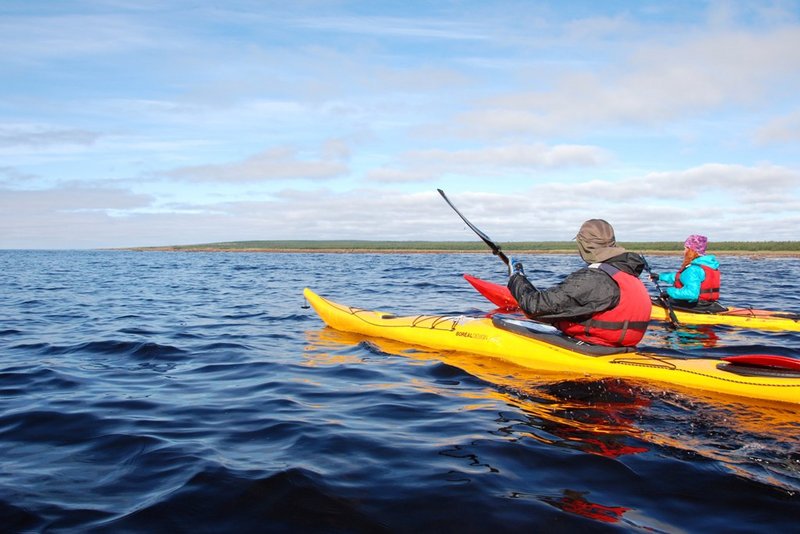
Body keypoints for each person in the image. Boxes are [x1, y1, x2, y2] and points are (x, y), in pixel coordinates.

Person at [507, 219, 651, 348]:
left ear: (584, 246)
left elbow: (534, 307)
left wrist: (516, 276)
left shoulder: (595, 278)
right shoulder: (627, 272)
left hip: (596, 348)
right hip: (620, 346)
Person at [651, 234, 721, 310]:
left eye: (685, 249)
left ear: (691, 250)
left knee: (655, 301)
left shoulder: (693, 269)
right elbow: (681, 277)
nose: (684, 252)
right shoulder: (709, 266)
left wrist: (669, 292)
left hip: (696, 306)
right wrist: (660, 277)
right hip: (709, 304)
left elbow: (691, 294)